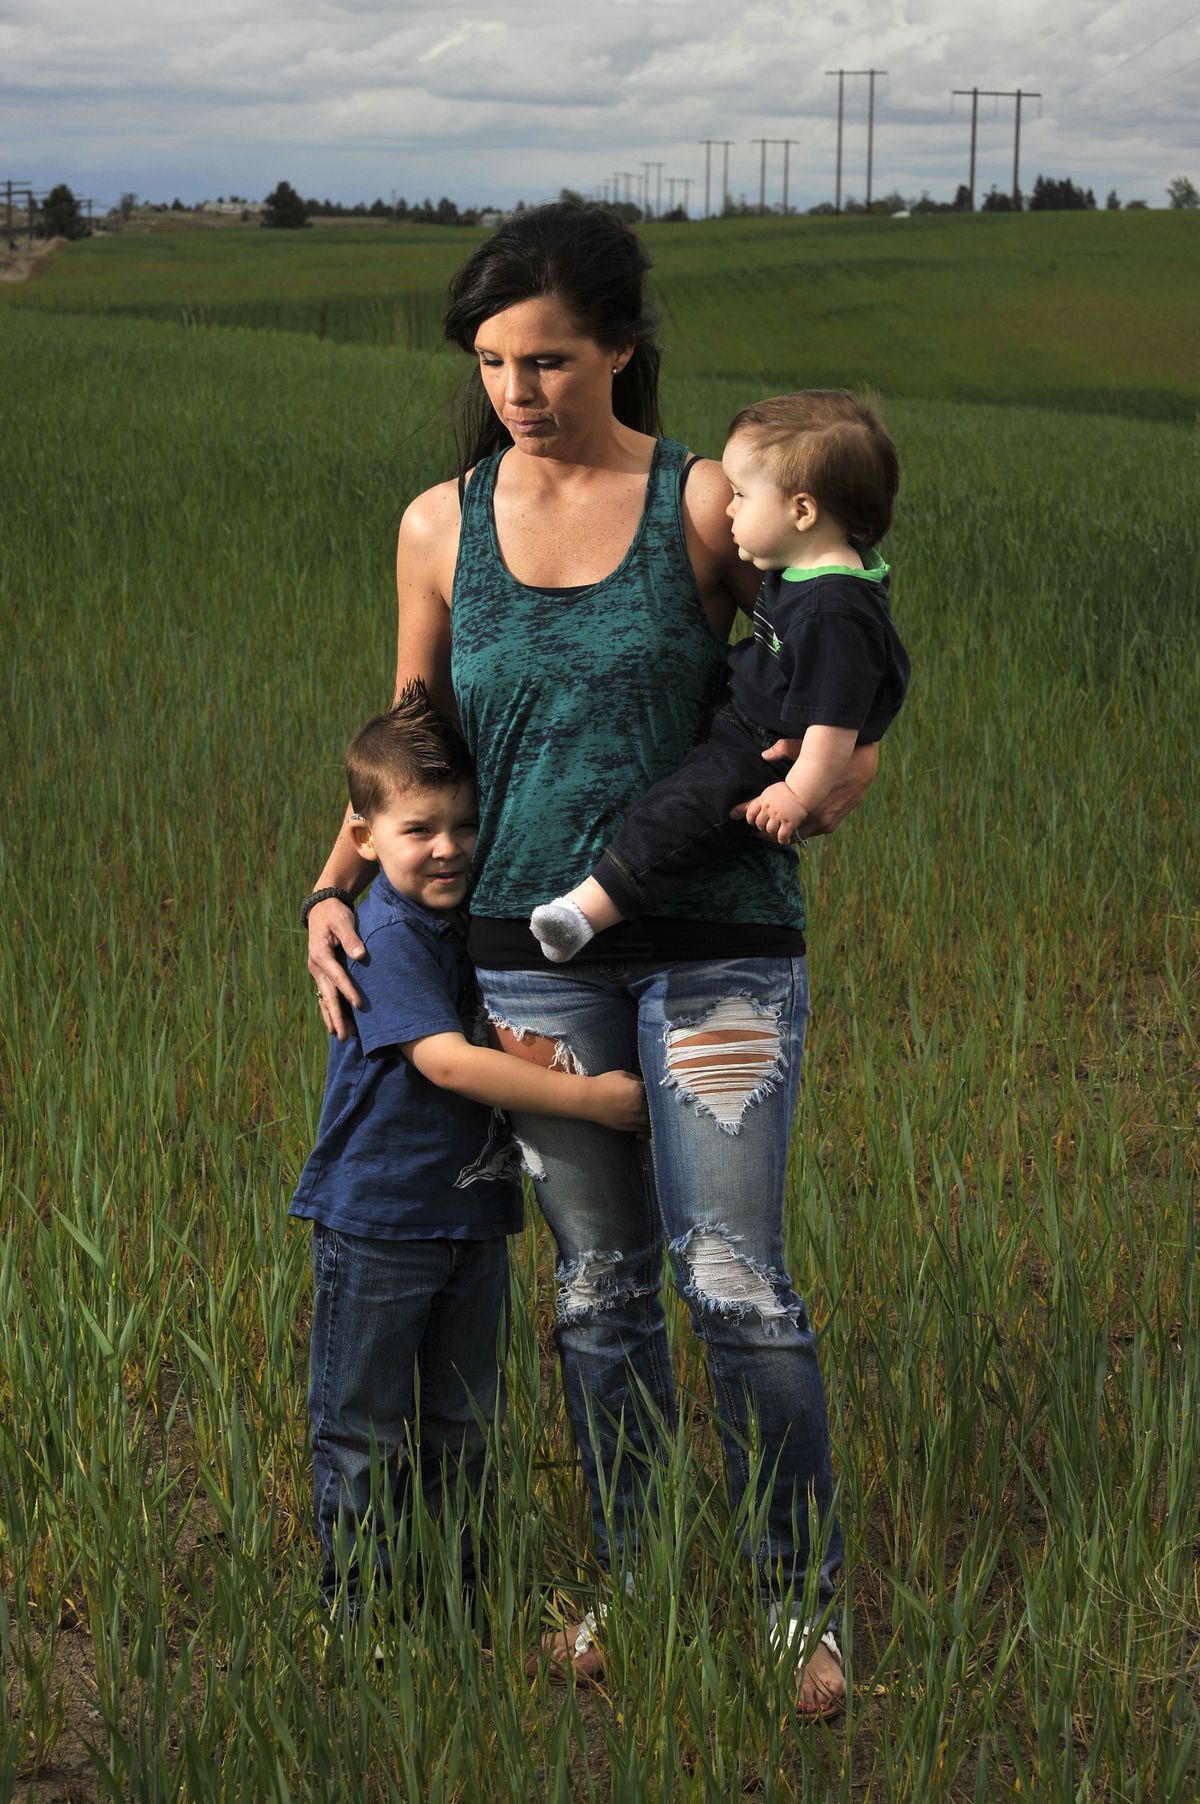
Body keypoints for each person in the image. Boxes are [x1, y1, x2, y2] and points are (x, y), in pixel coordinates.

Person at [304, 203, 882, 1719]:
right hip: (529, 958)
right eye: (494, 361)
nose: (518, 388)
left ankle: (795, 1604)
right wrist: (330, 886)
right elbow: (407, 741)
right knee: (600, 1290)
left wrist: (846, 763)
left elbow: (834, 642)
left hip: (718, 948)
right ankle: (633, 1582)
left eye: (548, 358)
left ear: (621, 348)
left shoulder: (705, 504)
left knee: (734, 1280)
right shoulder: (439, 522)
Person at [291, 682, 648, 1612]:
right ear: (363, 839)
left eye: (464, 823)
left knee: (466, 1422)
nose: (447, 847)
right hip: (380, 1220)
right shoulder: (392, 933)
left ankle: (459, 1597)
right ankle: (359, 1609)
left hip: (471, 1221)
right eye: (419, 830)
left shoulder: (467, 924)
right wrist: (590, 1101)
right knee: (365, 1424)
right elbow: (446, 1064)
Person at [528, 389, 909, 962]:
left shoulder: (835, 611)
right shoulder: (805, 566)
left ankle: (584, 912)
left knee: (686, 813)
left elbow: (833, 729)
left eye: (740, 496)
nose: (726, 509)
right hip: (744, 705)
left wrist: (795, 794)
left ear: (803, 512)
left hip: (763, 745)